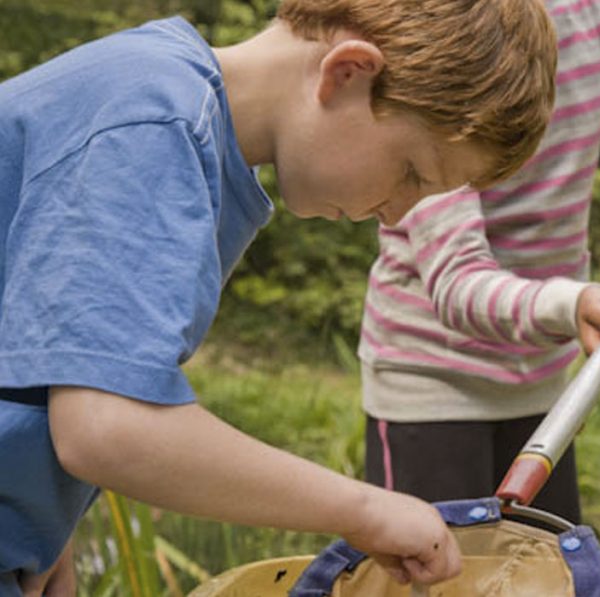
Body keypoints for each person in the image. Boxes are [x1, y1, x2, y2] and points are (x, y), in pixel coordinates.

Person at [0, 1, 558, 594]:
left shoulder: (170, 119)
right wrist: (366, 510)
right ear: (347, 73)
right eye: (413, 172)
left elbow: (41, 371)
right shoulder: (153, 122)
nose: (398, 212)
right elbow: (105, 427)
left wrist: (39, 535)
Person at [359, 0, 600, 524]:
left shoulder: (593, 18)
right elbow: (456, 283)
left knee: (546, 577)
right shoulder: (447, 32)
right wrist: (570, 302)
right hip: (434, 384)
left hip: (545, 393)